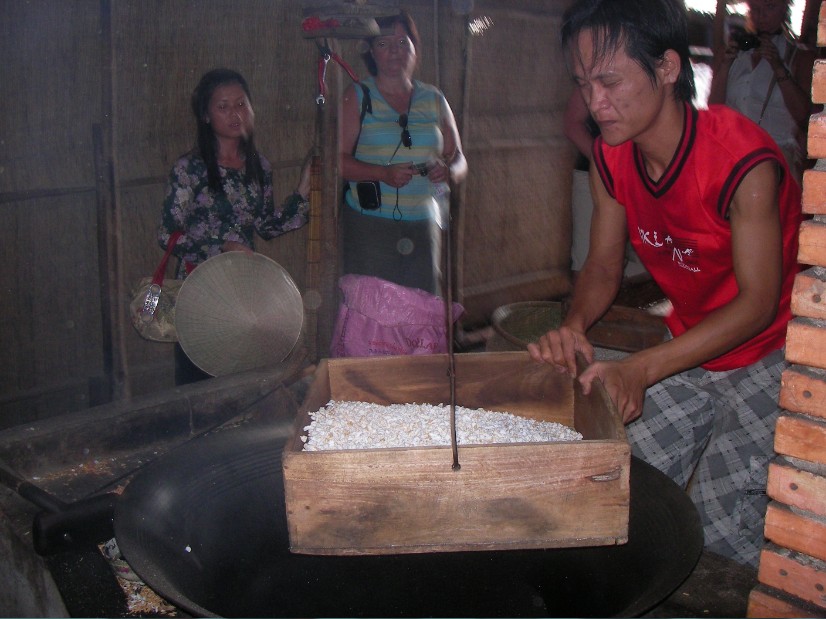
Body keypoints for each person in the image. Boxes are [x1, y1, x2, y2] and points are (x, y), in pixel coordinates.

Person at [528, 0, 802, 568]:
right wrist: (575, 326)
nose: (593, 103)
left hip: (775, 354)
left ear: (669, 68)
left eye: (609, 80)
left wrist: (643, 368)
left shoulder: (742, 162)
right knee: (627, 490)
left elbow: (755, 305)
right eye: (583, 83)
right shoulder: (612, 155)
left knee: (727, 535)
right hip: (696, 344)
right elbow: (603, 265)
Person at [158, 68, 311, 384]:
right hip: (200, 288)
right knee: (200, 376)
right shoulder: (190, 169)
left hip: (244, 289)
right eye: (223, 106)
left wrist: (304, 190)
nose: (234, 114)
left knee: (243, 370)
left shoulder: (259, 166)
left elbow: (266, 226)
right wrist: (221, 245)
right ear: (206, 115)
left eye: (241, 104)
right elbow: (167, 234)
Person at [339, 10, 467, 295]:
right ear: (371, 52)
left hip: (424, 225)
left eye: (402, 43)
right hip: (370, 228)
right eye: (383, 44)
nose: (394, 52)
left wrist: (448, 172)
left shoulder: (434, 98)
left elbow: (459, 159)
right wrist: (382, 174)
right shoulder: (358, 95)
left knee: (420, 309)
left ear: (414, 48)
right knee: (374, 314)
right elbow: (338, 161)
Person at [708, 0, 815, 184]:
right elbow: (714, 109)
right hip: (732, 155)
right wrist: (725, 66)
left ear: (784, 8)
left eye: (769, 7)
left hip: (776, 156)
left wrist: (778, 67)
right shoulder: (735, 52)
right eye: (755, 9)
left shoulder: (799, 57)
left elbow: (804, 115)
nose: (761, 16)